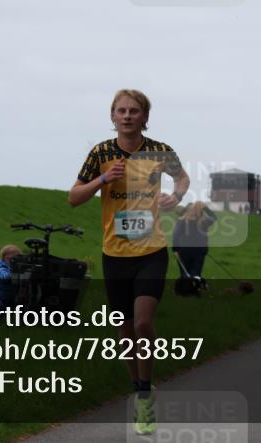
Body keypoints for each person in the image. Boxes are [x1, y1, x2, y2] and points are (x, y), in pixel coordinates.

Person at [69, 89, 190, 436]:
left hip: (151, 251)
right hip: (114, 254)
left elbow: (181, 177)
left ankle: (144, 393)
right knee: (124, 332)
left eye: (133, 111)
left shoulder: (160, 151)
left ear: (144, 117)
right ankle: (140, 388)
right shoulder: (101, 153)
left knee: (141, 325)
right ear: (112, 117)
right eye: (120, 111)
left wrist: (176, 195)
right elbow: (73, 198)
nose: (126, 116)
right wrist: (102, 180)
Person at [172, 201, 217, 279]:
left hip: (183, 250)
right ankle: (194, 288)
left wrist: (175, 249)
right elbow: (214, 217)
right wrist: (205, 208)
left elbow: (176, 235)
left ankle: (185, 288)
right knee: (196, 273)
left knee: (184, 272)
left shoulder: (182, 220)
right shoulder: (204, 221)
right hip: (199, 250)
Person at [0, 244, 22, 308]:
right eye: (16, 259)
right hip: (0, 299)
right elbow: (4, 278)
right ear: (7, 258)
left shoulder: (10, 267)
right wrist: (16, 272)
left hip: (10, 298)